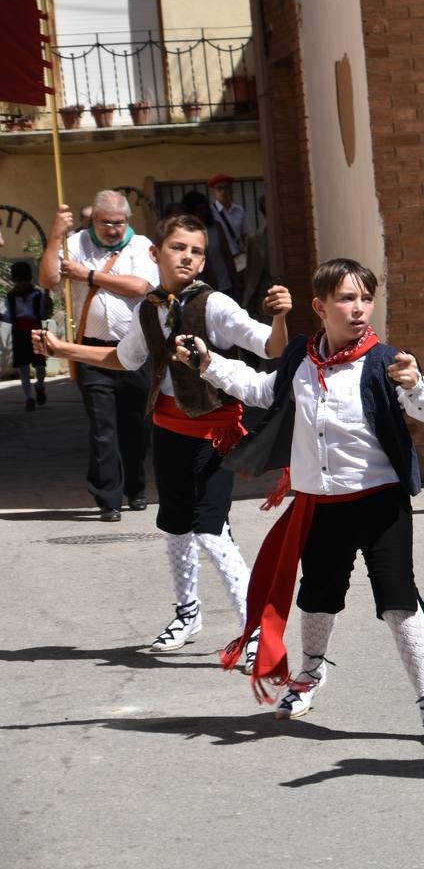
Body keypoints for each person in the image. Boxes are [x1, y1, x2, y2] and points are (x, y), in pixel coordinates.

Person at [183, 258, 424, 746]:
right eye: (347, 299)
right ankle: (309, 675)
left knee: (399, 602)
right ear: (320, 306)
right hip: (320, 503)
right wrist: (208, 363)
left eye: (366, 298)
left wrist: (416, 384)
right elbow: (261, 390)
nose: (359, 309)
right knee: (317, 596)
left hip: (379, 503)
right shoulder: (301, 358)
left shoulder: (386, 361)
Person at [34, 214, 291, 659]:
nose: (187, 257)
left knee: (211, 530)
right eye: (178, 248)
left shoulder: (214, 305)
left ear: (203, 261)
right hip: (168, 428)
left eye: (196, 251)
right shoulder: (149, 309)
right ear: (156, 253)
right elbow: (124, 358)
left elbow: (272, 347)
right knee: (174, 525)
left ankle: (254, 629)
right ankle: (188, 613)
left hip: (215, 432)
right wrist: (63, 349)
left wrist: (281, 317)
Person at [39, 191, 158, 521]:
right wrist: (55, 236)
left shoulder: (141, 246)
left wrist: (88, 275)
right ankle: (108, 498)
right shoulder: (75, 244)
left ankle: (135, 487)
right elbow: (48, 279)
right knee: (102, 426)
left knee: (135, 426)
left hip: (134, 349)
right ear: (93, 220)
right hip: (91, 350)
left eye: (120, 223)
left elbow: (139, 286)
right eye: (106, 223)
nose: (114, 229)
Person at [2, 261, 52, 410]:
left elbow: (43, 315)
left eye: (24, 279)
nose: (21, 283)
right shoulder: (10, 297)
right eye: (18, 280)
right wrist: (1, 316)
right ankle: (29, 398)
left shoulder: (38, 294)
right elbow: (10, 317)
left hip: (36, 331)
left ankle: (40, 385)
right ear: (14, 280)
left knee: (40, 365)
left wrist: (47, 303)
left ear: (29, 279)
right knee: (23, 367)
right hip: (19, 334)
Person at [208, 173, 252, 276]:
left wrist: (247, 253)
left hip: (239, 256)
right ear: (214, 191)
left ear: (231, 189)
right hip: (220, 258)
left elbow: (246, 235)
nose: (223, 191)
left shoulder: (239, 210)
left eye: (226, 188)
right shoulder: (211, 212)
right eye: (219, 188)